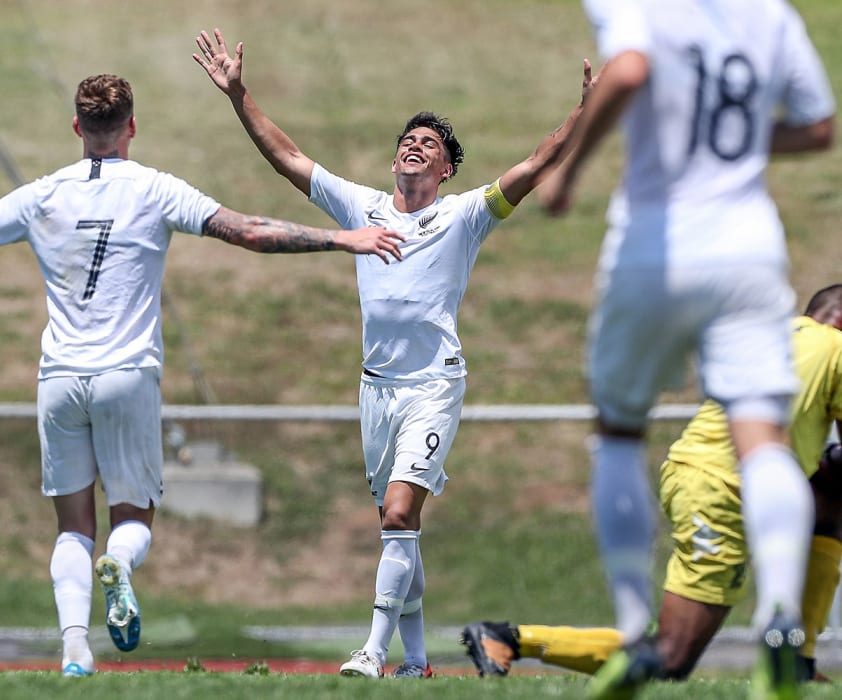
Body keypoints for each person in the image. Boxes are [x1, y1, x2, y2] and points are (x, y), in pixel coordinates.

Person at [0, 73, 405, 678]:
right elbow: (249, 231)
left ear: (78, 127)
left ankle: (75, 648)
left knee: (73, 525)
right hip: (126, 375)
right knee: (132, 519)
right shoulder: (154, 189)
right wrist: (344, 238)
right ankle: (121, 566)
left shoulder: (43, 194)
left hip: (59, 380)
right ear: (131, 125)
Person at [192, 27, 594, 679]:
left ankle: (371, 652)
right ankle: (415, 663)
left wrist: (583, 112)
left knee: (402, 512)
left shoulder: (466, 214)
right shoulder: (364, 206)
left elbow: (533, 166)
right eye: (408, 140)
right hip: (376, 388)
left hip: (433, 385)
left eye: (428, 144)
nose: (413, 146)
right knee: (394, 524)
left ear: (446, 170)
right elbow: (289, 159)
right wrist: (239, 95)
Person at [537, 1, 835, 698]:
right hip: (750, 249)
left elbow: (632, 67)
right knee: (762, 438)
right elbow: (819, 128)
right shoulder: (773, 15)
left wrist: (570, 168)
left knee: (617, 432)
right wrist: (738, 147)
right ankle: (783, 617)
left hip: (655, 242)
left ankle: (636, 630)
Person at [462, 284, 842, 687]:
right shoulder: (836, 349)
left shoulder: (774, 335)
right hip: (722, 490)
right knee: (673, 655)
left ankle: (798, 662)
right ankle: (509, 639)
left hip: (698, 472)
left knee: (829, 504)